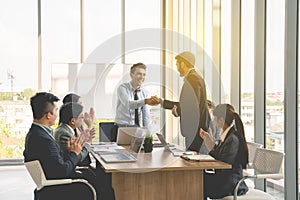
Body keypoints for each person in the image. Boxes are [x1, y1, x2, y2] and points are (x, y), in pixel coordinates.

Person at [23, 92, 114, 200]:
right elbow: (62, 171)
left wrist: (69, 151)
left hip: (55, 182)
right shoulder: (43, 139)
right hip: (61, 186)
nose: (57, 114)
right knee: (105, 184)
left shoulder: (37, 134)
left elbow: (56, 163)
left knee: (103, 178)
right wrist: (73, 153)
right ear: (48, 115)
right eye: (56, 110)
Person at [54, 102, 115, 199]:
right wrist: (87, 142)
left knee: (105, 177)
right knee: (106, 183)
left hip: (76, 169)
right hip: (73, 172)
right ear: (73, 121)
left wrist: (85, 139)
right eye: (81, 117)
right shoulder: (64, 134)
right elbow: (77, 157)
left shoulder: (66, 130)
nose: (83, 120)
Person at [160, 51, 211, 152]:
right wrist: (162, 102)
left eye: (177, 64)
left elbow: (192, 105)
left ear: (183, 64)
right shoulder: (195, 77)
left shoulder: (193, 79)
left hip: (196, 129)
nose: (177, 67)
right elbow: (187, 104)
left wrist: (177, 111)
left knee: (194, 162)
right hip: (196, 128)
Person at [200, 103, 249, 199]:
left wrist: (212, 147)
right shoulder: (227, 135)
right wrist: (210, 144)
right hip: (225, 178)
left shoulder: (232, 138)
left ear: (221, 120)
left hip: (231, 182)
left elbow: (224, 163)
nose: (213, 121)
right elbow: (221, 158)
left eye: (215, 118)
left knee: (199, 181)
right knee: (200, 179)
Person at [112, 63, 160, 141]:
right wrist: (145, 101)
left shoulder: (145, 92)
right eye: (139, 74)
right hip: (122, 129)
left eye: (144, 75)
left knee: (140, 152)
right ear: (131, 75)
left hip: (137, 130)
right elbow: (129, 104)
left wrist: (148, 135)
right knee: (122, 152)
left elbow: (146, 115)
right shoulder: (122, 88)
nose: (142, 77)